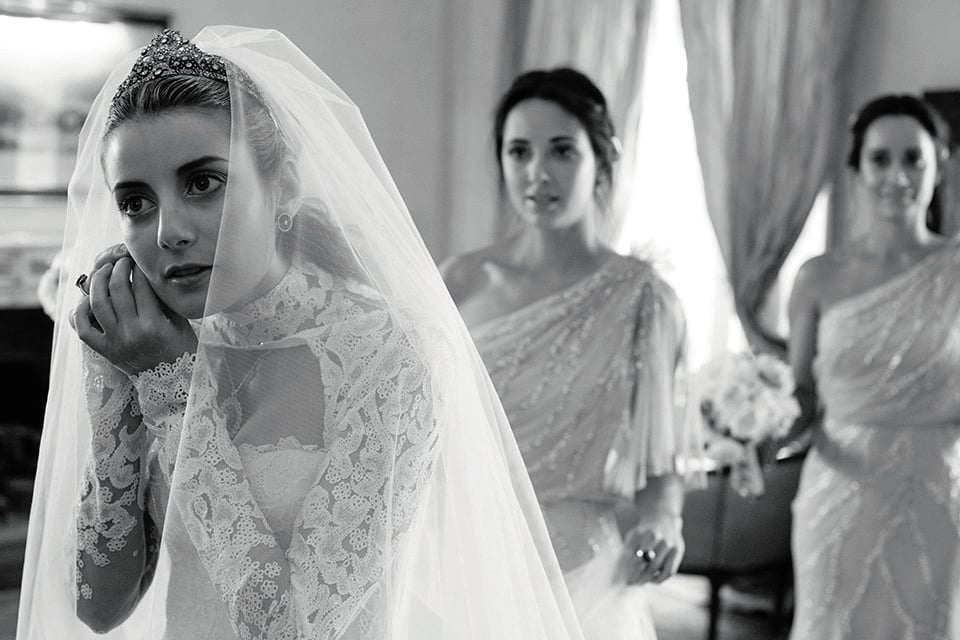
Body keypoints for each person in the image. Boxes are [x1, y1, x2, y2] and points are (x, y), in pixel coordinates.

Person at [17, 27, 585, 640]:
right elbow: (98, 607)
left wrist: (173, 385)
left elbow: (294, 632)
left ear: (281, 185)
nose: (168, 231)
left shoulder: (388, 352)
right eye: (136, 202)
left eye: (203, 183)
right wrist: (119, 396)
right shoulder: (148, 338)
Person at [441, 68, 702, 639]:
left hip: (585, 572)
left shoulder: (644, 299)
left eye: (562, 150)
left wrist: (663, 520)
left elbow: (661, 462)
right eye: (519, 152)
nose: (537, 174)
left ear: (602, 160)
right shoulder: (460, 281)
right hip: (466, 556)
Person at [787, 93, 960, 639]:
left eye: (913, 158)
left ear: (940, 165)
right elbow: (801, 400)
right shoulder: (817, 278)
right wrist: (750, 432)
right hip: (837, 491)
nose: (897, 175)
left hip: (937, 491)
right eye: (880, 159)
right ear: (858, 170)